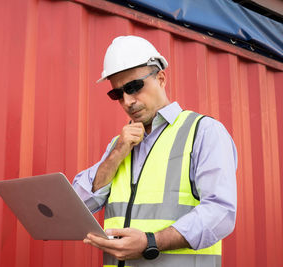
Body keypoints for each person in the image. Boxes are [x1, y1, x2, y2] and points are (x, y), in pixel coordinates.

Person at [72, 36, 237, 267]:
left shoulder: (203, 132)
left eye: (134, 87)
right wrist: (115, 155)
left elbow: (220, 213)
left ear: (161, 78)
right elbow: (77, 205)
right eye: (118, 94)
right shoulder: (118, 147)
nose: (128, 101)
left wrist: (151, 242)